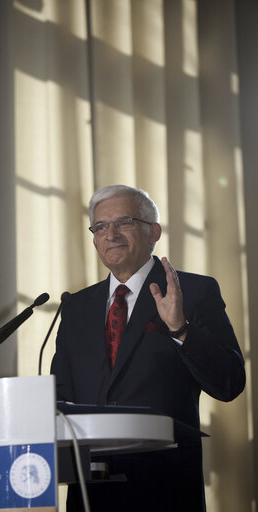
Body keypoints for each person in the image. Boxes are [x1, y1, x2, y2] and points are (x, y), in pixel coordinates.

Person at [51, 184, 245, 511]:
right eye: (100, 226)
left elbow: (229, 383)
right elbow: (59, 393)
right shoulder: (76, 306)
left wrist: (179, 328)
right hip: (90, 491)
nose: (110, 234)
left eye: (123, 222)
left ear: (154, 231)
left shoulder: (193, 291)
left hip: (165, 487)